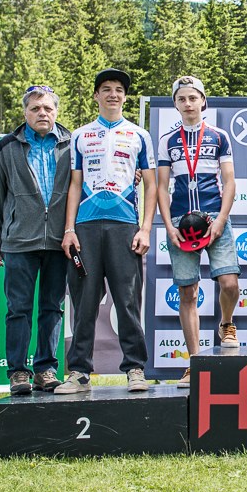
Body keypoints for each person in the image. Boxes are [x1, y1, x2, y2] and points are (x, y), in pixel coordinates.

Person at [56, 68, 156, 394]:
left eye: (118, 90)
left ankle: (135, 369)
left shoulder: (139, 135)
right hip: (85, 228)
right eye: (107, 89)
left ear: (125, 97)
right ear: (96, 95)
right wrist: (69, 229)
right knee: (84, 302)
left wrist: (145, 229)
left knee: (127, 301)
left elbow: (152, 185)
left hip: (125, 226)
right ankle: (79, 372)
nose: (113, 94)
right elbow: (74, 185)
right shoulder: (80, 135)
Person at [0, 86, 72, 395]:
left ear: (56, 112)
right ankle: (18, 372)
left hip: (60, 242)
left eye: (47, 108)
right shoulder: (7, 146)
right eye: (35, 109)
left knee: (52, 308)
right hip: (19, 241)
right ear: (25, 113)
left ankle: (46, 370)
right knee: (18, 309)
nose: (42, 113)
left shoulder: (72, 144)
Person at [156, 76, 240, 387]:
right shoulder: (167, 140)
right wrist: (168, 226)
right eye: (182, 99)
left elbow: (229, 181)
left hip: (214, 217)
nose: (188, 103)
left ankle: (226, 323)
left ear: (203, 101)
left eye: (193, 98)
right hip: (181, 221)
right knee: (188, 292)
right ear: (175, 104)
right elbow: (162, 187)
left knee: (229, 283)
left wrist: (221, 220)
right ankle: (194, 362)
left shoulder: (219, 136)